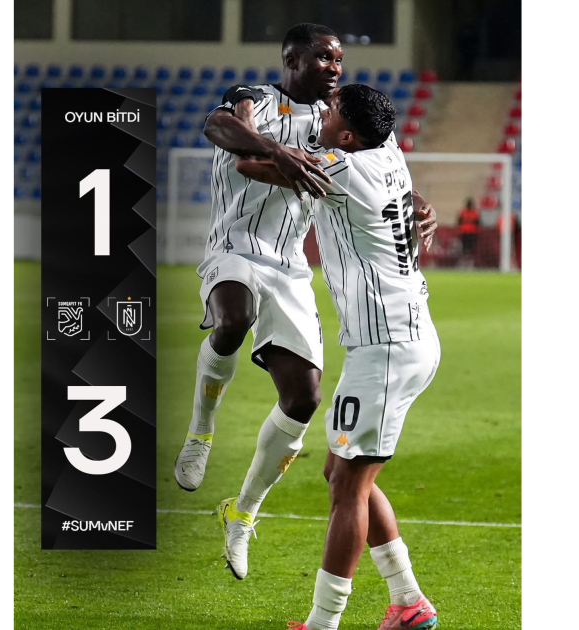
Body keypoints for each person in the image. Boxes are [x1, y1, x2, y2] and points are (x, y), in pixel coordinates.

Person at [235, 85, 441, 630]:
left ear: (348, 136)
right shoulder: (387, 150)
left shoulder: (342, 171)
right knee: (343, 471)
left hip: (385, 349)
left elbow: (248, 164)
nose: (322, 114)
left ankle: (324, 623)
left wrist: (244, 114)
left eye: (331, 114)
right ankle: (408, 601)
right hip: (404, 337)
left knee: (348, 486)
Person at [173, 23, 343, 580]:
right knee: (234, 317)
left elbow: (376, 162)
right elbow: (218, 126)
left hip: (291, 265)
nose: (335, 68)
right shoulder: (253, 98)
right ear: (292, 59)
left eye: (339, 60)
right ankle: (201, 431)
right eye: (324, 58)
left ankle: (242, 513)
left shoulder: (336, 120)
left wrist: (413, 198)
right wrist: (278, 151)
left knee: (304, 398)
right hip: (233, 246)